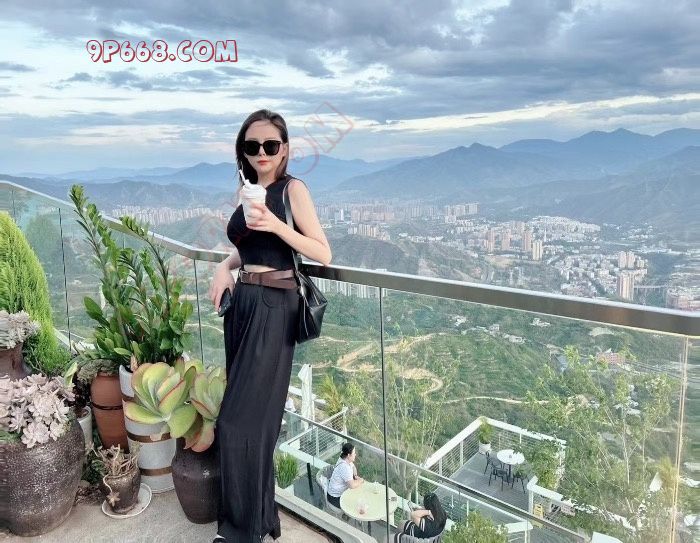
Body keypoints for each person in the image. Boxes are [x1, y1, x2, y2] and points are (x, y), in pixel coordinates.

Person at [208, 109, 332, 543]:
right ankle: (257, 521)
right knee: (252, 423)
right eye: (252, 145)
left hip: (274, 305)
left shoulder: (292, 190)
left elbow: (322, 252)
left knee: (237, 424)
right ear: (243, 151)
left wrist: (278, 224)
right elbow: (248, 248)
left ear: (284, 149)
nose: (261, 152)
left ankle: (241, 531)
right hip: (243, 303)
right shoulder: (249, 190)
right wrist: (223, 267)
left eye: (270, 145)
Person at [326, 443, 364, 508]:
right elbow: (352, 485)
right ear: (348, 455)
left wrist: (355, 476)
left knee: (358, 497)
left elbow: (353, 467)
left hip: (336, 494)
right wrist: (361, 480)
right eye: (354, 453)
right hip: (335, 498)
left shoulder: (344, 458)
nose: (355, 454)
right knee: (356, 505)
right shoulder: (345, 467)